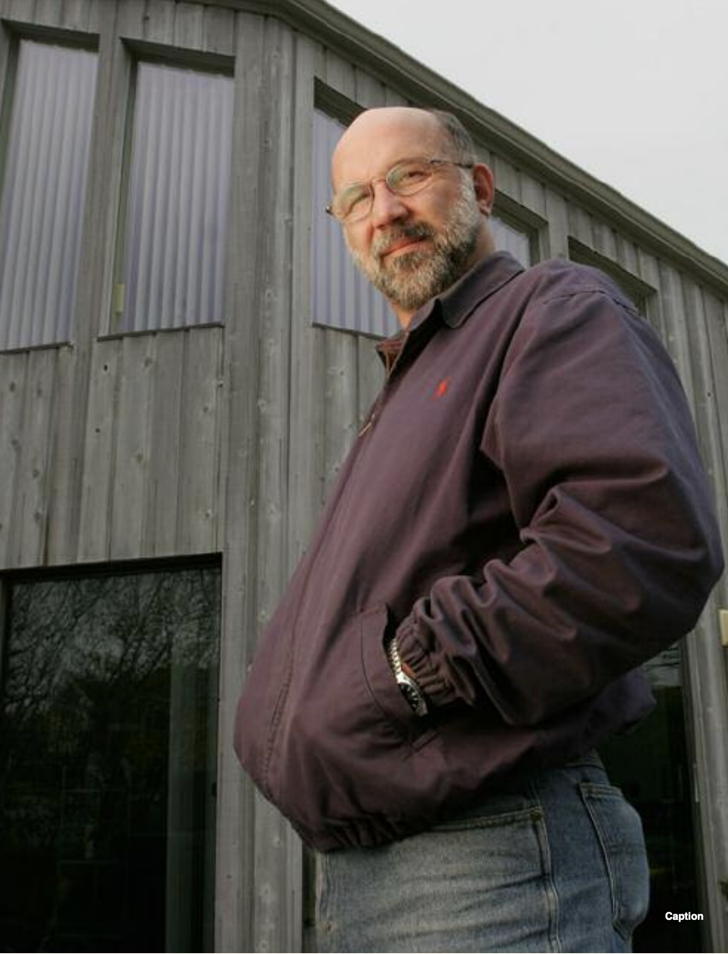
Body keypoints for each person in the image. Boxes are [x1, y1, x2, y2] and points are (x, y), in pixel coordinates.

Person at [235, 107, 724, 952]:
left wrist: (412, 673)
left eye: (409, 176)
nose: (385, 211)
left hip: (492, 860)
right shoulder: (410, 384)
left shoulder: (550, 308)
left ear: (481, 188)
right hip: (375, 869)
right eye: (356, 198)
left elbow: (635, 539)